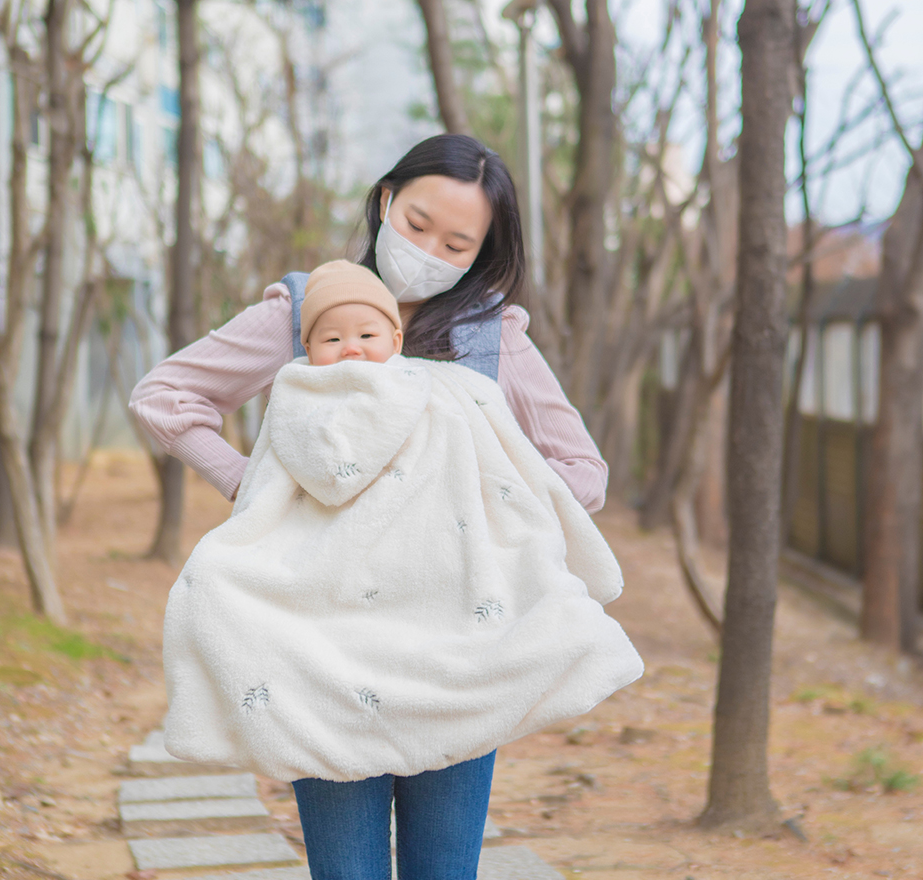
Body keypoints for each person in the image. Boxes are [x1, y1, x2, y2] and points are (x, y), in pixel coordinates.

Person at [130, 134, 615, 880]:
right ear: (387, 200)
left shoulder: (489, 335)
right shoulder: (305, 311)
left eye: (456, 242)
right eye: (419, 225)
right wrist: (249, 485)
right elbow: (166, 397)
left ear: (480, 252)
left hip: (457, 652)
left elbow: (581, 470)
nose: (430, 251)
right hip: (321, 652)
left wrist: (501, 513)